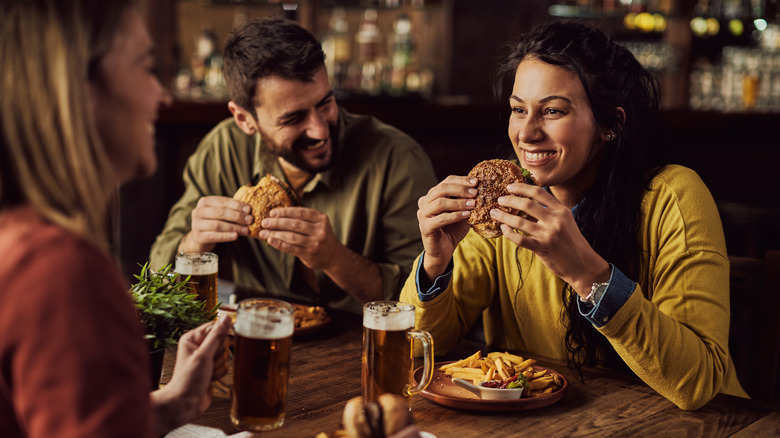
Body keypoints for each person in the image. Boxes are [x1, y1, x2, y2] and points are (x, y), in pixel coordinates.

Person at [400, 21, 748, 410]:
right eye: (518, 110)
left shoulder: (674, 198)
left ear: (610, 124)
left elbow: (697, 384)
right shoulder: (501, 207)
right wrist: (435, 263)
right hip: (553, 422)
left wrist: (588, 275)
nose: (527, 133)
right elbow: (416, 350)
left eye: (552, 111)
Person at [0, 1, 231, 437]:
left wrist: (174, 403)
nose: (162, 96)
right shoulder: (60, 269)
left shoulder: (18, 237)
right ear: (78, 88)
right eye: (145, 67)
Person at [150, 17, 437, 314]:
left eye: (326, 103)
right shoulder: (223, 149)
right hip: (255, 337)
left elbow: (424, 306)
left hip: (360, 344)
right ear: (244, 120)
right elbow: (157, 277)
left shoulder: (397, 158)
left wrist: (334, 259)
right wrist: (196, 241)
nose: (320, 130)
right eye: (293, 118)